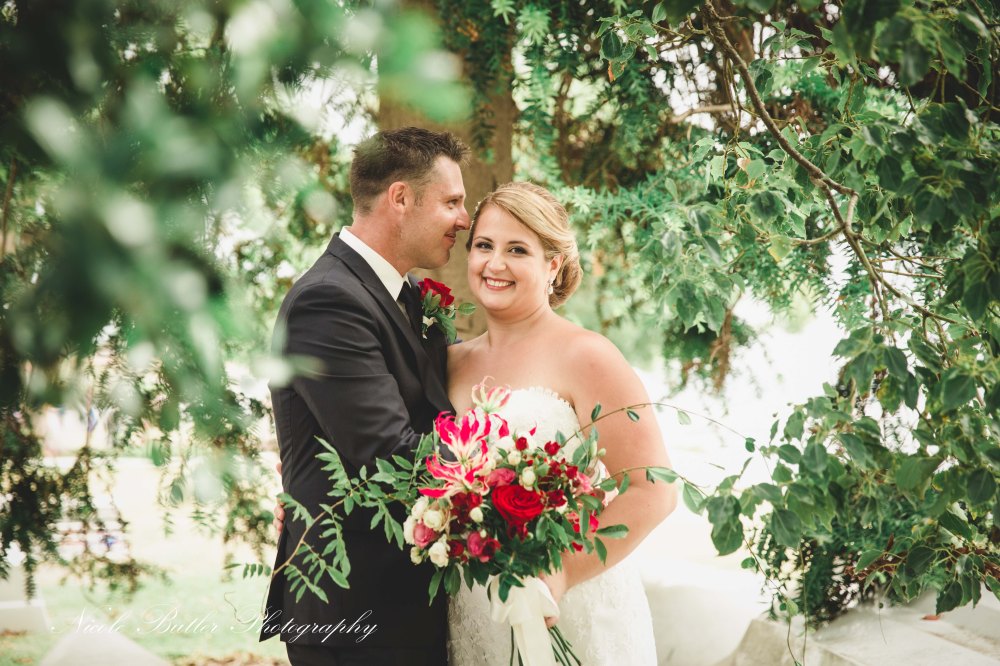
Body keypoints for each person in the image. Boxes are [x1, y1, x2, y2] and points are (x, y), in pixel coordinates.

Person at [260, 126, 470, 666]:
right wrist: (514, 474)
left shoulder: (406, 294)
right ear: (400, 198)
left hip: (403, 609)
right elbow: (391, 454)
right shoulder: (328, 301)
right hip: (355, 615)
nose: (464, 220)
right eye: (451, 202)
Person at [445, 182, 676, 665]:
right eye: (484, 245)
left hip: (574, 603)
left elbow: (653, 488)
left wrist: (564, 570)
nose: (495, 264)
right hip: (476, 608)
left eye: (517, 250)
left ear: (553, 265)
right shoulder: (449, 363)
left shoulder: (587, 356)